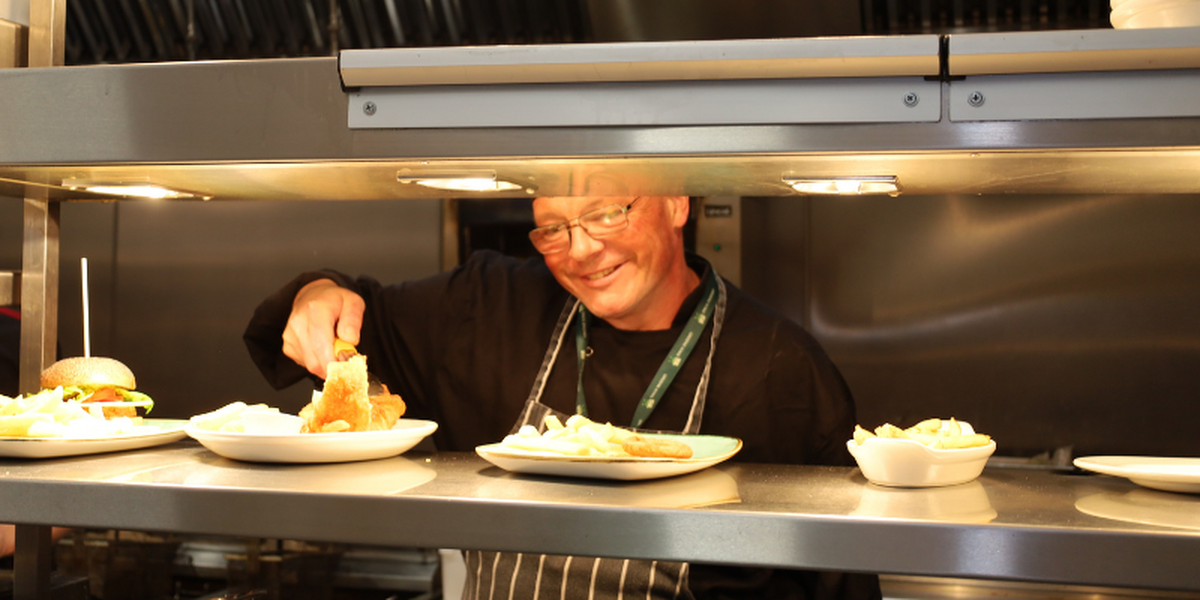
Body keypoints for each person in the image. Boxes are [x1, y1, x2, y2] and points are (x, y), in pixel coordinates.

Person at [244, 195, 881, 600]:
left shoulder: (778, 365)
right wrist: (316, 296)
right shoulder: (489, 306)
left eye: (608, 214)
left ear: (677, 201)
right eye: (552, 228)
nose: (580, 251)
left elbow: (839, 579)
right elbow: (352, 312)